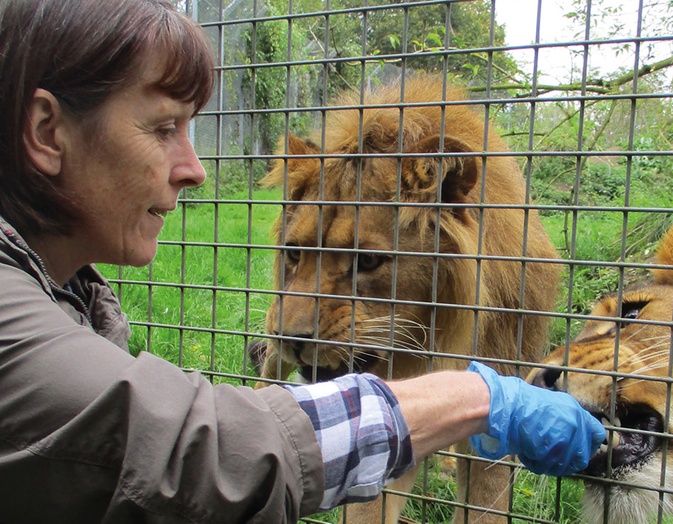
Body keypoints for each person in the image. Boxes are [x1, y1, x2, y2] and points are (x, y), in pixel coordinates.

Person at [0, 1, 607, 522]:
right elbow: (196, 455)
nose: (195, 168)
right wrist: (475, 399)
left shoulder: (69, 293)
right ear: (48, 131)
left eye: (365, 259)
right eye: (163, 129)